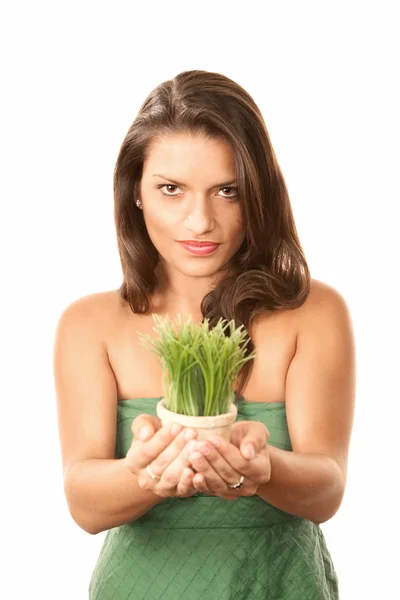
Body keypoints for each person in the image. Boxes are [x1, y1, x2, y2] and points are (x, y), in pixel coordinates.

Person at [53, 69, 356, 599]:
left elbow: (327, 488)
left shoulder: (315, 311)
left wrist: (263, 470)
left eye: (227, 191)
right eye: (171, 189)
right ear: (136, 194)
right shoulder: (89, 325)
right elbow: (84, 504)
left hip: (278, 584)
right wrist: (143, 476)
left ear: (257, 194)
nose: (200, 221)